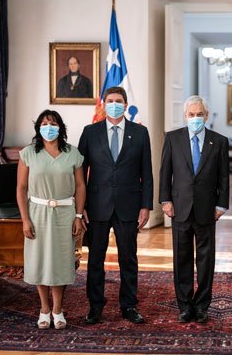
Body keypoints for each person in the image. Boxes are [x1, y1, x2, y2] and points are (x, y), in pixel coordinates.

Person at [78, 86, 153, 325]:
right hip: (97, 206)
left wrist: (146, 205)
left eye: (118, 101)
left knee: (128, 258)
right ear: (103, 104)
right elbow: (80, 172)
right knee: (95, 259)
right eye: (110, 100)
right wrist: (81, 208)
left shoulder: (140, 133)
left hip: (129, 205)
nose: (114, 104)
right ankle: (95, 307)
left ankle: (129, 306)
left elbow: (147, 172)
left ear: (125, 103)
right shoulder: (90, 132)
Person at [159, 95, 229, 324]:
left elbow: (223, 178)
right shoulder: (172, 138)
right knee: (182, 258)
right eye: (192, 114)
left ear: (206, 116)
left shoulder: (218, 141)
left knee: (206, 259)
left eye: (200, 114)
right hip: (179, 208)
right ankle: (184, 305)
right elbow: (164, 173)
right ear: (185, 116)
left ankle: (202, 305)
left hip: (207, 209)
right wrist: (165, 200)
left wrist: (221, 205)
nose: (196, 118)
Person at [16, 109, 86, 329]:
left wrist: (78, 215)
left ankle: (58, 309)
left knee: (61, 262)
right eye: (45, 123)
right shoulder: (28, 153)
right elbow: (21, 188)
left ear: (60, 127)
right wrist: (25, 220)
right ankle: (44, 308)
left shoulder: (72, 153)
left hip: (65, 214)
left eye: (53, 123)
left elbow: (81, 186)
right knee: (40, 261)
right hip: (37, 213)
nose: (49, 127)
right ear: (38, 127)